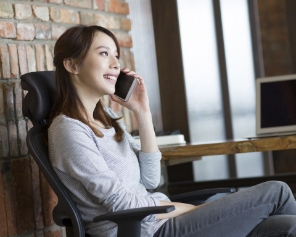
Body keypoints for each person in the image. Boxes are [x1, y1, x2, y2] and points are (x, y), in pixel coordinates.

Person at [48, 25, 296, 237]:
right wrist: (190, 208)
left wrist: (142, 113)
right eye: (104, 54)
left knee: (287, 226)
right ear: (72, 65)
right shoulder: (69, 131)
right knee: (277, 191)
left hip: (162, 220)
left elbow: (151, 180)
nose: (116, 64)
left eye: (116, 56)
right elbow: (122, 204)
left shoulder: (108, 118)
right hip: (149, 231)